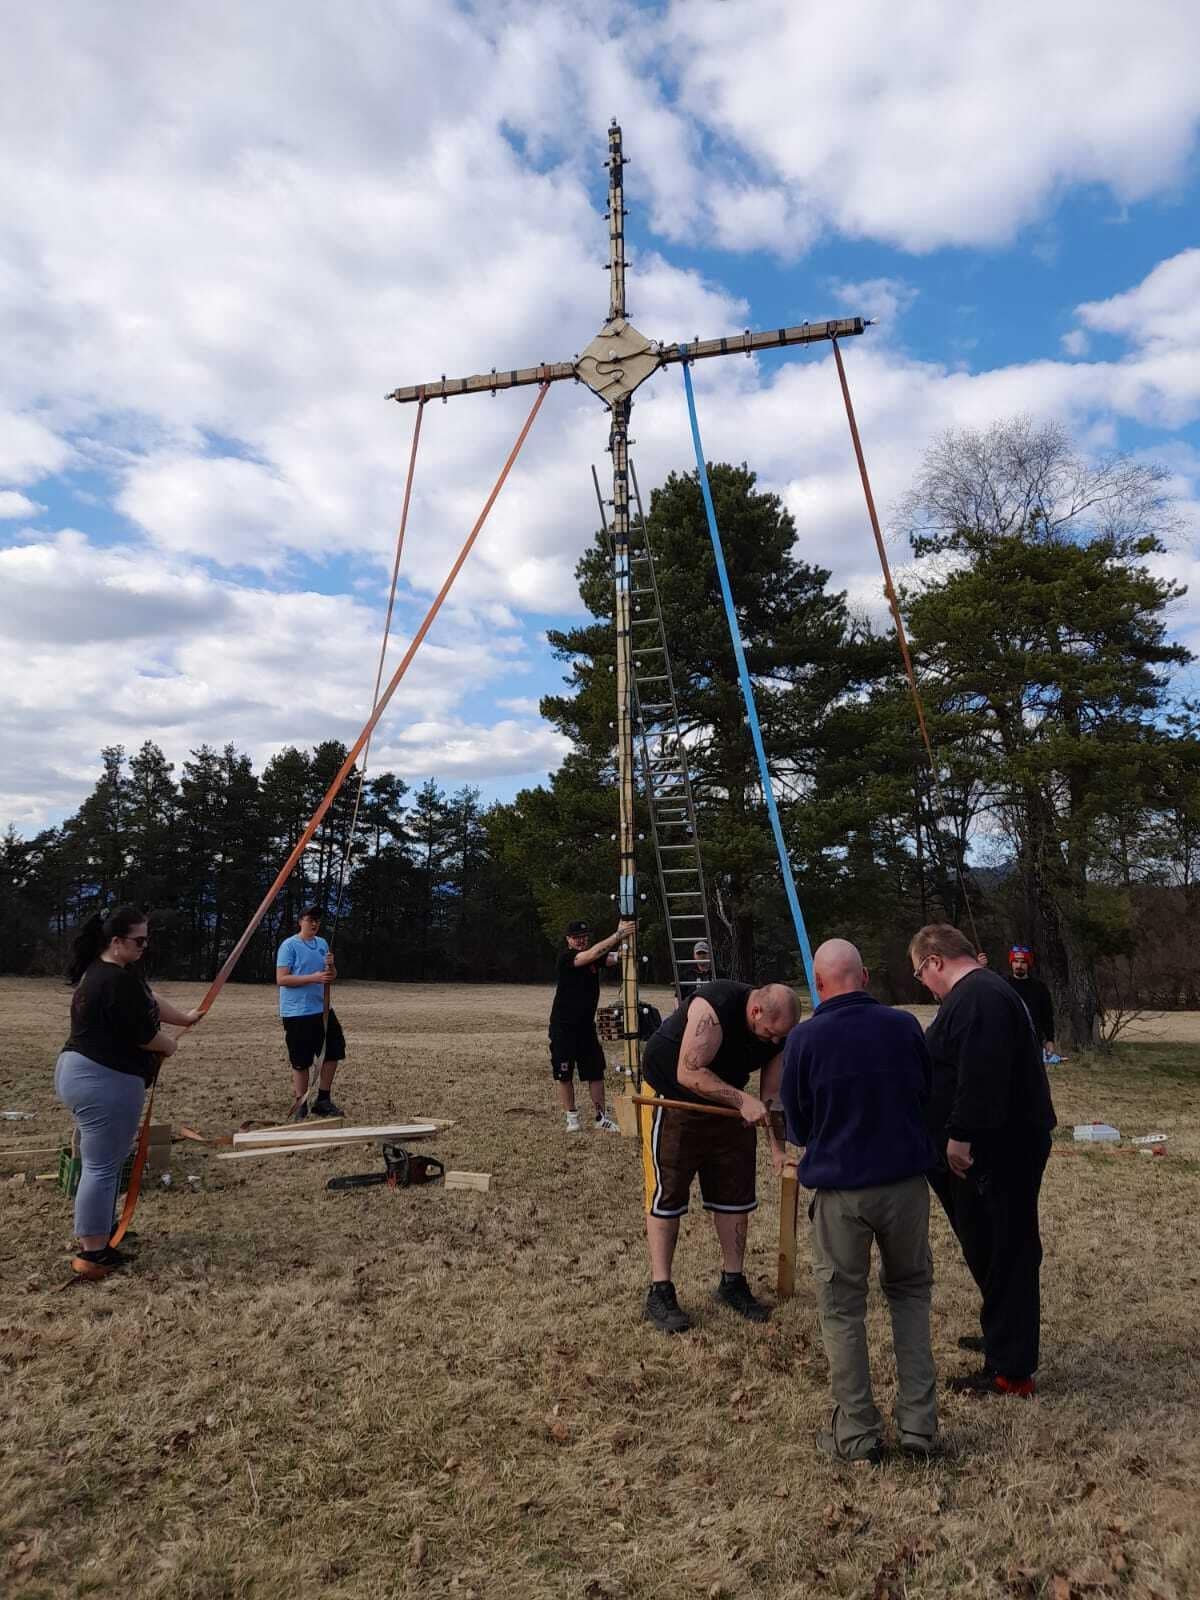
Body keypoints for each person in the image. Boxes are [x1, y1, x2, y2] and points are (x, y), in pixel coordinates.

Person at [780, 940, 938, 1463]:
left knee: (842, 1311)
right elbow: (926, 1096)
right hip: (907, 1188)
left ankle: (857, 1435)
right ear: (864, 976)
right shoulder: (905, 1027)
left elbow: (798, 1125)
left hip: (840, 1195)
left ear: (819, 985)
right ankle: (918, 1428)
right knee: (911, 1296)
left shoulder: (803, 1041)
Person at [911, 922, 1057, 1397]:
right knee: (986, 1245)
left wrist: (961, 1135)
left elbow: (983, 1074)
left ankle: (1011, 1371)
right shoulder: (980, 994)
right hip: (988, 1147)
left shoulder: (980, 997)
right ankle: (1001, 1335)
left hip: (997, 1148)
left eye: (919, 972)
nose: (923, 982)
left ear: (935, 960)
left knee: (1007, 1248)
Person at [639, 979, 797, 1333]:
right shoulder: (714, 1007)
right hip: (672, 1095)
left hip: (726, 1105)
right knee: (669, 1195)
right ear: (755, 1011)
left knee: (735, 1195)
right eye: (770, 1033)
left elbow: (771, 1095)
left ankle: (732, 1283)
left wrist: (777, 1150)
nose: (774, 1042)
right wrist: (743, 1101)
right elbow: (688, 1071)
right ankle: (660, 1291)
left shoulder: (778, 1033)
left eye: (780, 1037)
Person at [55, 906, 201, 1278]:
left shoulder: (113, 973)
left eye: (146, 939)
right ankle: (93, 1251)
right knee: (102, 1167)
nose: (144, 946)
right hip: (103, 1079)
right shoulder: (113, 980)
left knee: (102, 1163)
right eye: (138, 940)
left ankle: (100, 1232)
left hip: (86, 1072)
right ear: (116, 942)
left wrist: (185, 1018)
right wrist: (169, 1045)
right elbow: (144, 1035)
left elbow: (149, 1003)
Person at [549, 919, 634, 1132]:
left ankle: (601, 1117)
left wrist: (630, 939)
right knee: (564, 1073)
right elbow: (591, 955)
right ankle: (572, 1118)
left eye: (584, 937)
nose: (580, 940)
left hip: (586, 1027)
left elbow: (615, 956)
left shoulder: (596, 957)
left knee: (595, 1071)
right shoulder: (567, 958)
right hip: (563, 1027)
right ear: (568, 939)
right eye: (576, 937)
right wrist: (618, 935)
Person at [276, 906, 346, 1119]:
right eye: (310, 919)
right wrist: (313, 978)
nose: (314, 924)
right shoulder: (289, 946)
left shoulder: (322, 944)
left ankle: (323, 1100)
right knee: (301, 1059)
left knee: (333, 1051)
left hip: (322, 1010)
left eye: (317, 920)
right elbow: (282, 979)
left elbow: (330, 976)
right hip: (297, 1013)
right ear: (300, 921)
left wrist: (331, 968)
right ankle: (301, 1104)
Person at [1006, 945, 1065, 1063]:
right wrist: (980, 967)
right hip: (1008, 1041)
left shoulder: (1039, 988)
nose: (1019, 965)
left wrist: (1049, 1039)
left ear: (1028, 964)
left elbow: (1047, 1015)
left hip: (1033, 1041)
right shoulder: (1003, 985)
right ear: (1011, 963)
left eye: (1023, 962)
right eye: (1016, 961)